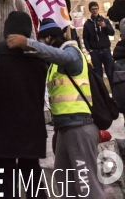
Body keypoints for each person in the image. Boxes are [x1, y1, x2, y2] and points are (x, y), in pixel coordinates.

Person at [7, 18, 105, 199]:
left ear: (48, 38)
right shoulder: (55, 64)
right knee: (63, 181)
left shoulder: (72, 52)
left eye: (42, 40)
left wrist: (28, 43)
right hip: (64, 128)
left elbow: (60, 56)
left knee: (87, 185)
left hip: (79, 126)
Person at [0, 12, 47, 198]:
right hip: (31, 126)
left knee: (5, 181)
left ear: (7, 29)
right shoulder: (38, 55)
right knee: (32, 175)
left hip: (2, 127)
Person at [83, 1, 114, 86]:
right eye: (92, 9)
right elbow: (85, 38)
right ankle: (103, 97)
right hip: (95, 52)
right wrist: (89, 50)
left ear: (98, 9)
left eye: (96, 9)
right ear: (90, 10)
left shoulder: (105, 21)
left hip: (106, 50)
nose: (95, 11)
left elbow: (112, 32)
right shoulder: (87, 23)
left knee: (110, 74)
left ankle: (115, 96)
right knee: (99, 76)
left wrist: (104, 26)